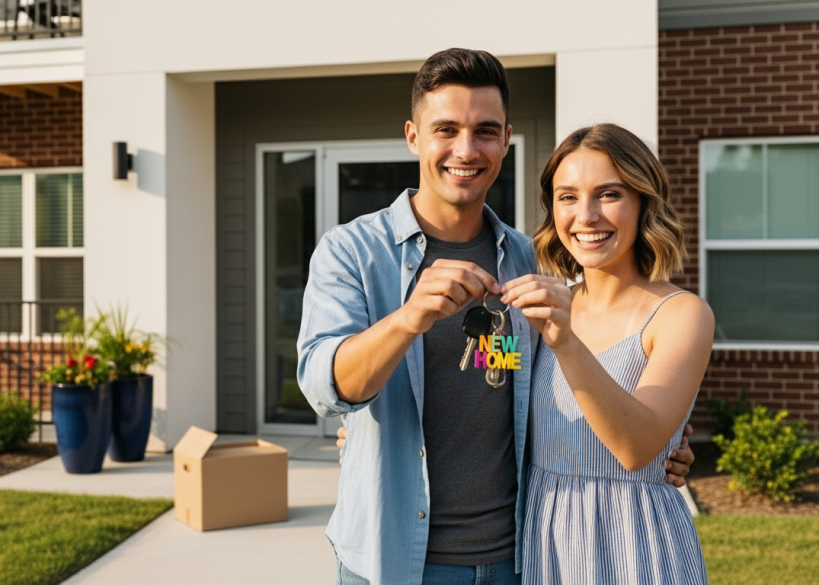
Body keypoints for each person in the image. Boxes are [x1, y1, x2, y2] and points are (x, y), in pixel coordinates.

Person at [296, 48, 694, 585]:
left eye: (485, 130)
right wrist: (407, 319)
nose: (466, 149)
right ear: (413, 136)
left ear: (506, 139)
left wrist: (667, 440)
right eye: (446, 130)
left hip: (521, 558)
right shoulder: (352, 251)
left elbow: (534, 379)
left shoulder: (532, 262)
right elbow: (325, 387)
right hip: (393, 560)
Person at [499, 124, 711, 584]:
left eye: (609, 194)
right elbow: (483, 381)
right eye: (568, 197)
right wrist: (373, 423)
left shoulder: (682, 315)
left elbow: (637, 448)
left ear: (643, 201)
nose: (586, 216)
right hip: (546, 540)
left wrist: (566, 341)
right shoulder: (539, 311)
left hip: (636, 543)